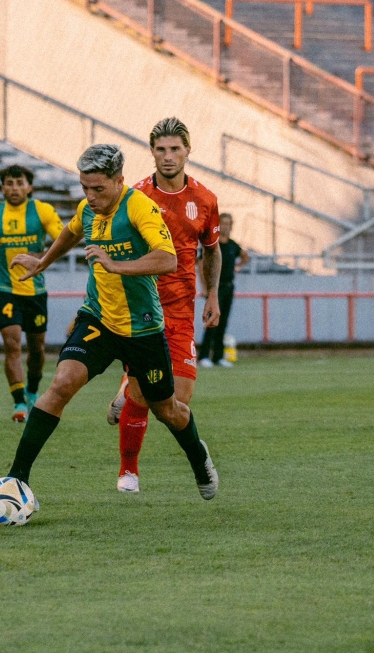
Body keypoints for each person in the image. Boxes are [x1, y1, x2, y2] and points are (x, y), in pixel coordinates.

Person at [4, 144, 218, 501]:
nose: (90, 196)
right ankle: (16, 480)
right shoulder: (88, 208)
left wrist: (117, 265)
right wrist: (42, 262)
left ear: (119, 181)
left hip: (143, 328)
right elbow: (71, 231)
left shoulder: (139, 207)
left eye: (98, 188)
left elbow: (168, 259)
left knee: (167, 410)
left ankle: (198, 456)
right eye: (85, 188)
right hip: (98, 319)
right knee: (62, 385)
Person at [105, 118, 222, 494]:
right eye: (161, 149)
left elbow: (211, 251)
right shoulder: (134, 197)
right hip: (142, 307)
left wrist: (213, 294)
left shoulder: (205, 200)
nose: (168, 156)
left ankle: (128, 384)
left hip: (182, 309)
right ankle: (128, 472)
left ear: (188, 150)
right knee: (144, 396)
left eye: (175, 149)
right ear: (151, 152)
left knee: (176, 404)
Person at [0, 164, 63, 422]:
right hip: (5, 289)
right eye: (9, 183)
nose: (14, 188)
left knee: (37, 348)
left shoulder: (42, 211)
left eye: (20, 183)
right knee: (12, 345)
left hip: (35, 290)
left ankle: (32, 391)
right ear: (2, 187)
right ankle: (19, 403)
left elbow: (63, 240)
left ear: (29, 187)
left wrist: (41, 257)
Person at [199, 212, 250, 368]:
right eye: (223, 223)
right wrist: (205, 287)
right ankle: (204, 355)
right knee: (212, 321)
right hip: (215, 288)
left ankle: (218, 356)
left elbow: (245, 256)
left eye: (229, 224)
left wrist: (238, 267)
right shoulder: (212, 244)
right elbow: (201, 264)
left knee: (223, 322)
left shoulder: (233, 245)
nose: (226, 227)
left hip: (228, 286)